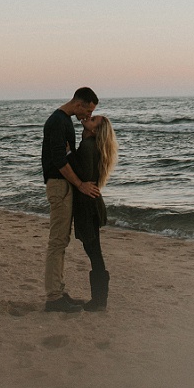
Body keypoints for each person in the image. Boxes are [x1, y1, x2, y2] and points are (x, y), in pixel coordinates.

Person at [41, 88, 101, 313]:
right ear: (79, 103)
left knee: (61, 241)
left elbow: (65, 156)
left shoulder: (64, 121)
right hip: (59, 185)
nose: (88, 115)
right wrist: (80, 185)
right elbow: (58, 160)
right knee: (57, 241)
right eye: (88, 110)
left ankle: (59, 290)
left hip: (62, 185)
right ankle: (53, 297)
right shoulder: (57, 122)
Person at [70, 113, 118, 311]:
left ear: (95, 130)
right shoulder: (92, 146)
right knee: (93, 251)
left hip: (87, 206)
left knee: (94, 252)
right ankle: (99, 300)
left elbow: (84, 175)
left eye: (92, 120)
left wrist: (68, 155)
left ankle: (99, 301)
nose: (88, 119)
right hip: (92, 205)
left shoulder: (88, 147)